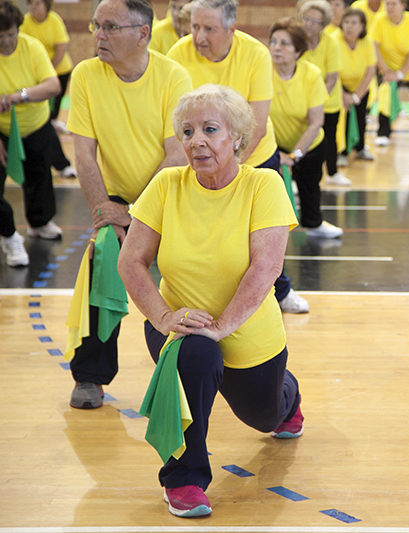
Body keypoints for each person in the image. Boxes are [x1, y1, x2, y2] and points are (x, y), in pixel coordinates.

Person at [118, 84, 303, 518]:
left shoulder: (264, 184)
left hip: (249, 332)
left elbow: (265, 269)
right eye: (187, 131)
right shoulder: (166, 184)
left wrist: (222, 326)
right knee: (195, 353)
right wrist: (163, 317)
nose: (196, 140)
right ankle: (183, 480)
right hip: (179, 324)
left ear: (236, 137)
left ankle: (288, 398)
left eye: (210, 129)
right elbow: (132, 261)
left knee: (265, 416)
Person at [66, 0, 193, 409]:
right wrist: (106, 211)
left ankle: (200, 365)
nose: (98, 35)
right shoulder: (85, 75)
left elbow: (178, 155)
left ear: (142, 33)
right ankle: (90, 376)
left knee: (191, 277)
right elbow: (84, 155)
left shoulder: (173, 76)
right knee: (103, 256)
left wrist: (135, 211)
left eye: (110, 27)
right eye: (96, 26)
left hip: (172, 194)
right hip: (117, 201)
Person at [168, 0, 309, 314]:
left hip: (254, 156)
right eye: (194, 27)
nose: (198, 37)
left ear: (231, 29)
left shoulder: (255, 53)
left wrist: (231, 168)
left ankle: (281, 290)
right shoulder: (178, 54)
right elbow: (176, 121)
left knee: (265, 234)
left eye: (209, 29)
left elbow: (255, 123)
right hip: (205, 161)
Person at [0, 0, 62, 268]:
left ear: (18, 29)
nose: (5, 42)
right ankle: (8, 234)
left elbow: (52, 85)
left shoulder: (31, 47)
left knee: (39, 175)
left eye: (10, 35)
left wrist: (19, 96)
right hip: (2, 131)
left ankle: (39, 223)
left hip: (34, 124)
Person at [269, 18, 342, 239]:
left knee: (310, 185)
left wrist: (294, 155)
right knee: (269, 190)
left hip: (310, 143)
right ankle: (271, 230)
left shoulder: (311, 74)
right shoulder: (262, 70)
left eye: (285, 43)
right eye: (273, 41)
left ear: (298, 50)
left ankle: (314, 224)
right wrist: (277, 153)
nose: (277, 47)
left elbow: (316, 122)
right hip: (274, 143)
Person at [19, 0, 76, 177]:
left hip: (58, 70)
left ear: (46, 6)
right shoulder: (26, 22)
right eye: (31, 5)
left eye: (37, 4)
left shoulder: (54, 20)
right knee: (45, 121)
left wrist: (48, 70)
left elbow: (61, 48)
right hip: (36, 77)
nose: (33, 8)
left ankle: (61, 164)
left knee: (49, 117)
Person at [298, 1, 349, 186]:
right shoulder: (297, 41)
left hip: (328, 101)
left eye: (315, 21)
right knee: (304, 139)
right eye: (306, 19)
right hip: (302, 102)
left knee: (329, 139)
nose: (309, 24)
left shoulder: (331, 43)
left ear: (323, 24)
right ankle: (298, 178)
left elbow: (332, 79)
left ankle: (333, 173)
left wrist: (317, 102)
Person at [369, 0, 409, 146]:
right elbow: (374, 47)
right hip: (389, 70)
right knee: (385, 98)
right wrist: (386, 71)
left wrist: (401, 73)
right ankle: (383, 132)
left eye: (393, 4)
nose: (389, 7)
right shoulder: (379, 20)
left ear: (403, 6)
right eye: (387, 4)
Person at [335, 7, 376, 164]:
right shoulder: (335, 40)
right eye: (346, 22)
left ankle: (360, 148)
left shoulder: (367, 42)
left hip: (361, 86)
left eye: (354, 23)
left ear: (362, 26)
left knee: (360, 117)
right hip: (339, 86)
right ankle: (341, 152)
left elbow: (371, 70)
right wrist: (343, 95)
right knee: (341, 119)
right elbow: (332, 72)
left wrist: (356, 95)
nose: (349, 26)